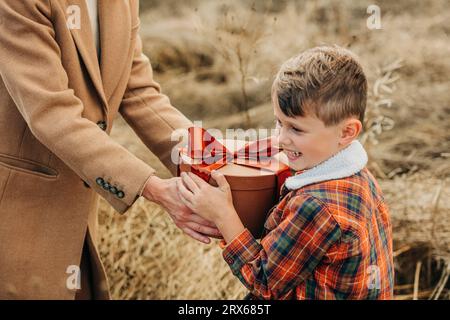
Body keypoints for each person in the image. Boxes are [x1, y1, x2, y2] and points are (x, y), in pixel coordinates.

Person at [0, 0, 219, 299]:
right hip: (18, 216)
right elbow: (51, 114)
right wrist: (153, 188)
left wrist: (216, 161)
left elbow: (138, 92)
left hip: (78, 220)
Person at [177, 45, 395, 299]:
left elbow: (265, 282)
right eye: (279, 122)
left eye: (296, 129)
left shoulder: (315, 206)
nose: (281, 138)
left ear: (346, 132)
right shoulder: (357, 177)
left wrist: (223, 215)